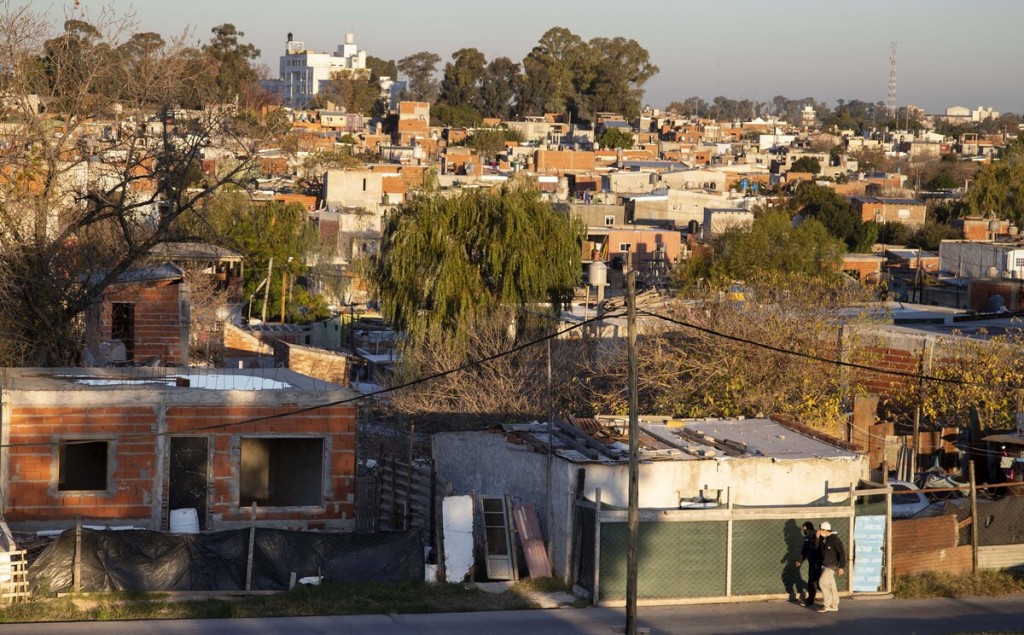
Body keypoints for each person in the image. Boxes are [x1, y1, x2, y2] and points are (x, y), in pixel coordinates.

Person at [816, 521, 846, 613]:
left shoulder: (834, 540)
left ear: (825, 530)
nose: (819, 531)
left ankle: (826, 604)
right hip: (825, 565)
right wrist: (817, 538)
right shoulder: (824, 539)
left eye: (821, 529)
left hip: (831, 565)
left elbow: (841, 553)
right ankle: (834, 604)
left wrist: (841, 567)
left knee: (822, 582)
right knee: (831, 585)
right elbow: (817, 548)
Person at [793, 521, 823, 607]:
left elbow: (817, 547)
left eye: (804, 528)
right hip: (812, 562)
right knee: (813, 581)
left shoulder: (816, 535)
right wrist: (799, 560)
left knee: (817, 582)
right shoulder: (807, 537)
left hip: (818, 563)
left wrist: (817, 538)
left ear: (807, 528)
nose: (803, 530)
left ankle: (812, 600)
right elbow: (804, 550)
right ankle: (810, 599)